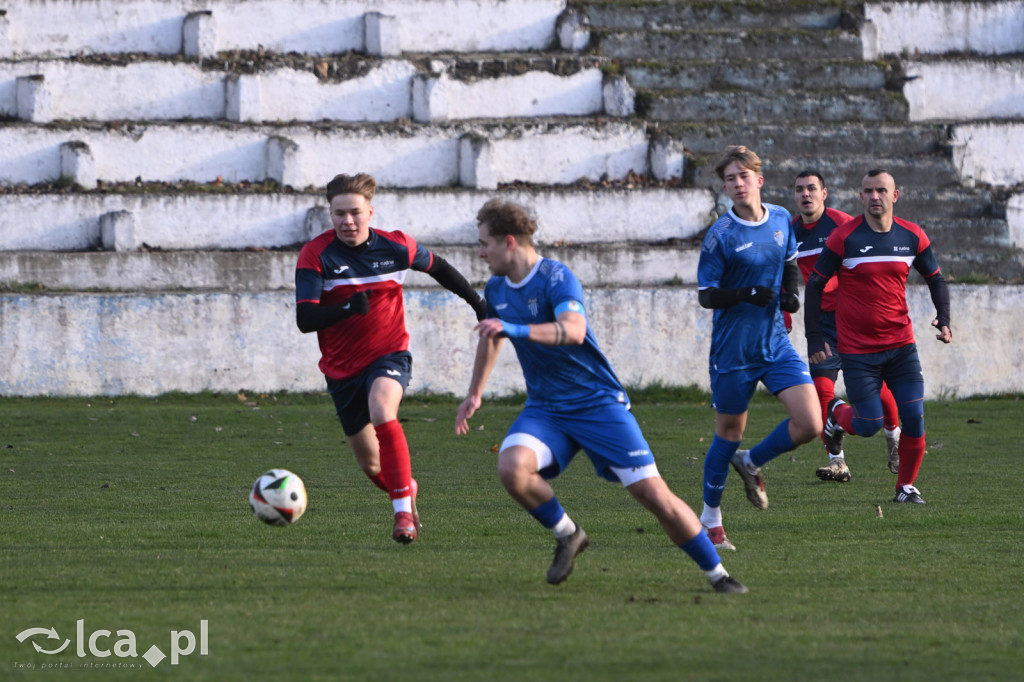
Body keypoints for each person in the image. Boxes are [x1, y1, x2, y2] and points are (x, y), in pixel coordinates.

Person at [455, 197, 747, 594]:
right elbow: (493, 335)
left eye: (484, 242)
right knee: (511, 469)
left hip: (597, 403)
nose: (480, 251)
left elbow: (572, 331)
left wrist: (516, 330)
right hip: (547, 409)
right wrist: (475, 393)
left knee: (654, 496)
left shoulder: (556, 278)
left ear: (509, 242)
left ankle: (719, 575)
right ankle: (568, 533)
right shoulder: (496, 287)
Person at [296, 172, 487, 543]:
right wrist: (348, 307)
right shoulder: (316, 254)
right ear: (330, 215)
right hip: (340, 369)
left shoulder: (396, 247)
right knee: (370, 464)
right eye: (339, 214)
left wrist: (479, 303)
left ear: (370, 211)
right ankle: (406, 489)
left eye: (355, 212)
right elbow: (306, 319)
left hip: (389, 355)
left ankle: (402, 517)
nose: (347, 222)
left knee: (384, 410)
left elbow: (440, 268)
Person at [696, 145, 821, 551]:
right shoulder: (721, 235)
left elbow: (789, 262)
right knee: (728, 433)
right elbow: (707, 296)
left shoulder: (782, 218)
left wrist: (790, 295)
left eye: (742, 176)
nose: (736, 184)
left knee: (810, 423)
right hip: (733, 351)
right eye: (729, 179)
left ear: (758, 180)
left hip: (775, 344)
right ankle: (711, 521)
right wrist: (744, 292)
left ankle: (751, 462)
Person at [804, 169, 952, 505]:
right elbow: (814, 285)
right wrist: (814, 338)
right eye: (868, 191)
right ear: (861, 197)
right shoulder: (845, 237)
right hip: (857, 352)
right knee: (868, 424)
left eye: (881, 190)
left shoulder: (912, 236)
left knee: (913, 416)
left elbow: (936, 280)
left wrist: (944, 319)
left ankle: (905, 487)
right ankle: (835, 416)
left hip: (901, 347)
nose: (875, 196)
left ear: (894, 195)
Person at [791, 169, 902, 482]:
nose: (805, 194)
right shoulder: (790, 231)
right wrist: (786, 312)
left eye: (812, 188)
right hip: (822, 324)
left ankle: (894, 435)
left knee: (876, 389)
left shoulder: (841, 223)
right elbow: (783, 273)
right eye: (799, 189)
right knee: (822, 390)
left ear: (824, 194)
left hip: (854, 320)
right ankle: (837, 461)